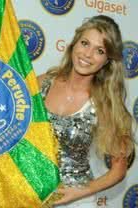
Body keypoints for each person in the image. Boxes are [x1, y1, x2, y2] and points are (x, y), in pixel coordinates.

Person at [37, 15, 135, 207]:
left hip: (76, 201)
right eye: (84, 43)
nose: (87, 54)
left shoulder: (106, 105)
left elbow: (119, 169)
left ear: (107, 61)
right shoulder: (43, 83)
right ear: (74, 44)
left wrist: (79, 192)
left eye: (99, 50)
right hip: (33, 193)